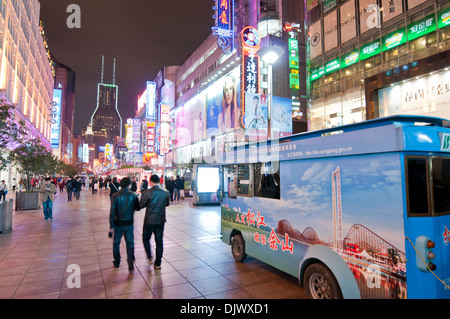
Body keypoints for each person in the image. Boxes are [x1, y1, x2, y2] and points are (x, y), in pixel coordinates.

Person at [109, 177, 140, 271]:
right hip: (129, 223)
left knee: (116, 243)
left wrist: (111, 226)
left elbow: (112, 211)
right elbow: (138, 208)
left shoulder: (115, 195)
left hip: (118, 223)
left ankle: (117, 261)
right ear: (129, 185)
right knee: (130, 242)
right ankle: (130, 262)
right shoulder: (134, 195)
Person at [139, 174, 170, 269]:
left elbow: (141, 205)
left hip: (149, 221)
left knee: (145, 239)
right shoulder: (165, 192)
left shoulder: (147, 193)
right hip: (160, 220)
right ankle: (158, 263)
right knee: (159, 241)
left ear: (150, 182)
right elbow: (167, 204)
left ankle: (149, 256)